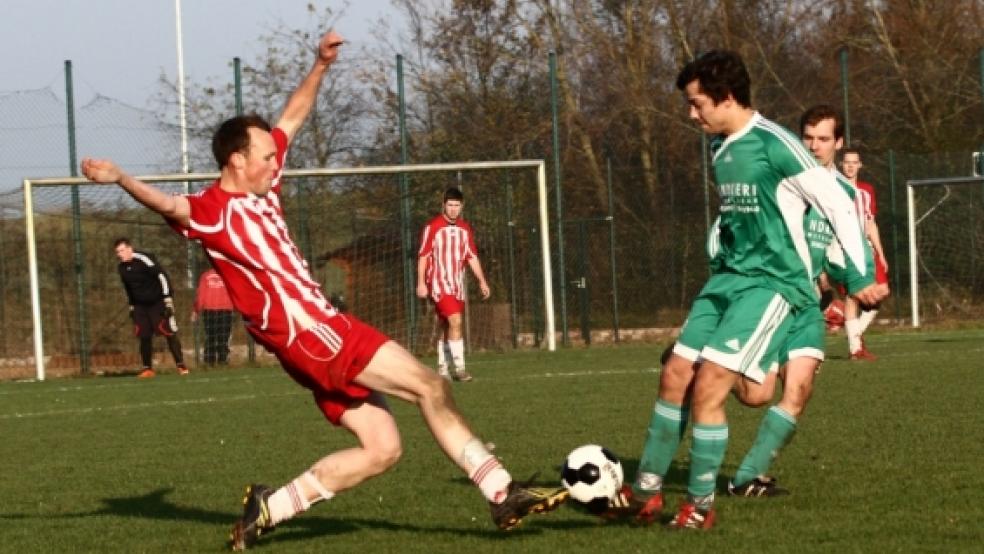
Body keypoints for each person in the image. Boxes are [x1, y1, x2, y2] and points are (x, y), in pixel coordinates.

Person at [81, 30, 566, 551]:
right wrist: (123, 179)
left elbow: (292, 115)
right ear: (236, 161)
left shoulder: (266, 185)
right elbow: (168, 205)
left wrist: (319, 66)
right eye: (265, 155)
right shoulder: (211, 211)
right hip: (314, 333)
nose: (275, 160)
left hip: (306, 343)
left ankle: (269, 508)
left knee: (383, 449)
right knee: (429, 384)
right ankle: (501, 490)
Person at [603, 51, 884, 530]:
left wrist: (859, 278)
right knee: (675, 373)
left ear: (727, 97)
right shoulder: (720, 147)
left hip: (772, 285)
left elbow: (839, 203)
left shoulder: (776, 145)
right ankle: (646, 493)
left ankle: (699, 507)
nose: (692, 114)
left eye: (697, 104)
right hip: (728, 280)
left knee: (712, 383)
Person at [727, 104, 878, 497]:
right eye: (807, 137)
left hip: (807, 306)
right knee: (758, 395)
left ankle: (747, 477)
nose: (814, 146)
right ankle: (710, 365)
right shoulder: (775, 180)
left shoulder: (845, 195)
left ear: (839, 143)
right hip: (768, 299)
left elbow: (840, 252)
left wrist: (857, 282)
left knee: (798, 391)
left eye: (823, 139)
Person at [416, 187, 491, 382]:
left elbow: (472, 256)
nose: (453, 209)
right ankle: (460, 369)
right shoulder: (432, 227)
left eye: (457, 205)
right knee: (456, 321)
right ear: (443, 205)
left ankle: (442, 369)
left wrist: (482, 280)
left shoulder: (465, 229)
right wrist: (421, 283)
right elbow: (423, 256)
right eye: (450, 205)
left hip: (457, 285)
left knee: (447, 326)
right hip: (438, 283)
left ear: (462, 206)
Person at [113, 238, 189, 378]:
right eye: (117, 252)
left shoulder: (144, 259)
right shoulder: (122, 268)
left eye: (122, 250)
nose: (120, 254)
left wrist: (167, 299)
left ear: (130, 249)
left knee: (168, 331)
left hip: (157, 302)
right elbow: (128, 288)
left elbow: (162, 276)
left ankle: (181, 365)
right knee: (144, 335)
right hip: (139, 306)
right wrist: (131, 305)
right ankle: (147, 368)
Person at [840, 148, 890, 360]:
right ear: (841, 165)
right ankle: (855, 349)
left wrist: (881, 252)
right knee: (852, 298)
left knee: (881, 292)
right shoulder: (834, 188)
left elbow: (870, 223)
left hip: (867, 249)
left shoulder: (867, 190)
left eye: (854, 162)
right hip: (845, 249)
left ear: (860, 165)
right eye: (847, 162)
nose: (850, 166)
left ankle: (855, 334)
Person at [192, 266, 235, 365]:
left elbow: (201, 295)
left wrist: (196, 310)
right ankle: (223, 360)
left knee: (210, 336)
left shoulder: (206, 276)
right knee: (223, 337)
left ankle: (209, 361)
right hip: (225, 309)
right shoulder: (228, 274)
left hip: (209, 309)